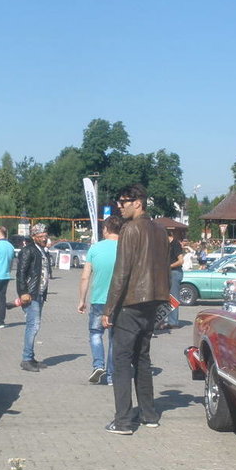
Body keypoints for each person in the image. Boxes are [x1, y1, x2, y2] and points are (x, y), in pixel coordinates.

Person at [101, 184, 169, 435]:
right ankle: (149, 415)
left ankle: (123, 421)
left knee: (121, 362)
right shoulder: (161, 231)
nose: (120, 205)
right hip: (153, 302)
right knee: (142, 358)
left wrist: (108, 309)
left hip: (130, 303)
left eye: (123, 201)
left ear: (138, 202)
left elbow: (121, 273)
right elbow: (165, 269)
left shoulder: (130, 229)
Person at [78, 215, 121, 385]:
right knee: (114, 338)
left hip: (98, 300)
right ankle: (111, 376)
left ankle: (98, 364)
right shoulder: (126, 248)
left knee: (96, 333)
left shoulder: (94, 249)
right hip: (119, 301)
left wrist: (82, 300)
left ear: (106, 229)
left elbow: (85, 277)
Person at [15, 223, 51, 372]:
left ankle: (30, 357)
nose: (44, 238)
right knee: (33, 325)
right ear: (33, 237)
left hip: (39, 293)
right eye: (41, 236)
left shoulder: (42, 250)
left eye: (45, 236)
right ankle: (26, 359)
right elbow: (21, 273)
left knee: (35, 325)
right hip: (31, 294)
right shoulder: (28, 250)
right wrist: (23, 292)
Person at [158, 229, 184, 330]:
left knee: (173, 298)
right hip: (167, 273)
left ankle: (173, 322)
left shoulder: (175, 244)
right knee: (165, 298)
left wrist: (169, 266)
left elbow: (181, 261)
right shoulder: (165, 245)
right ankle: (165, 320)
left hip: (175, 272)